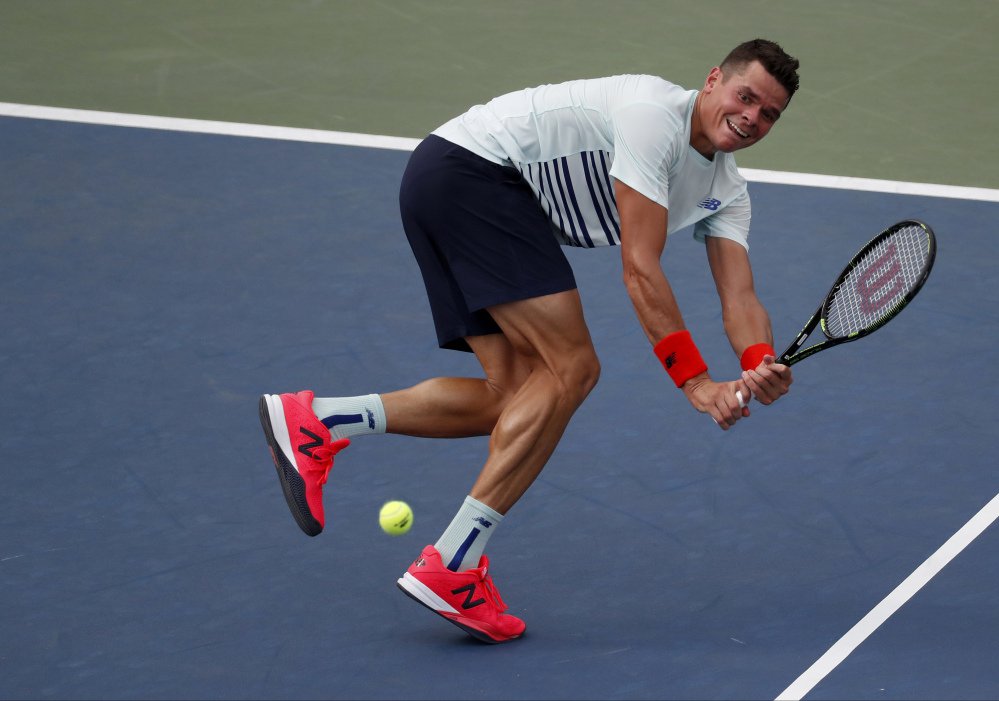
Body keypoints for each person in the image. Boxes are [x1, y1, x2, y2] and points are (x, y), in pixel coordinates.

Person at [259, 38, 798, 644]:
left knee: (515, 394)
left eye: (769, 113)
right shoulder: (654, 118)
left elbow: (740, 297)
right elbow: (640, 267)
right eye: (745, 96)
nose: (752, 117)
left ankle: (319, 421)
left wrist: (760, 364)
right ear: (712, 81)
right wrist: (697, 382)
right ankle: (453, 564)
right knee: (573, 370)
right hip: (475, 176)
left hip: (447, 181)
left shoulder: (727, 190)